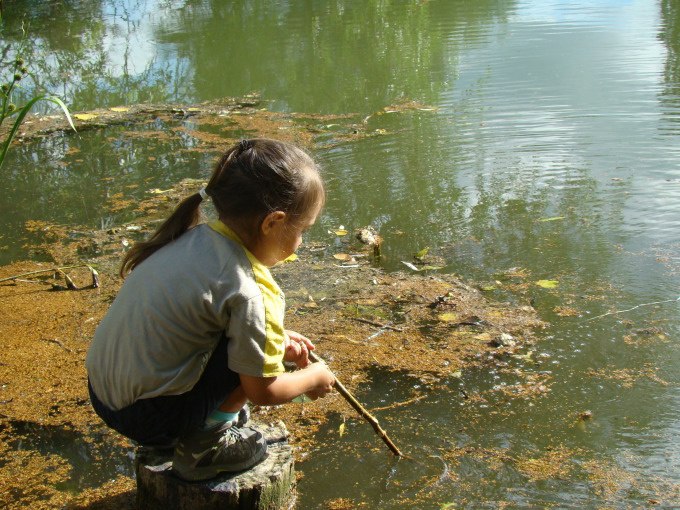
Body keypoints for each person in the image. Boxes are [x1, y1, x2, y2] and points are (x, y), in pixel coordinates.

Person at [86, 138, 336, 482]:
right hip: (149, 417)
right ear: (272, 222)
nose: (301, 243)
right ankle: (205, 448)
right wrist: (313, 377)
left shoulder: (192, 239)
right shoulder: (250, 288)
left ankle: (197, 424)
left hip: (103, 398)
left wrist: (276, 338)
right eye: (303, 230)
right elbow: (263, 391)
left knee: (252, 345)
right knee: (251, 364)